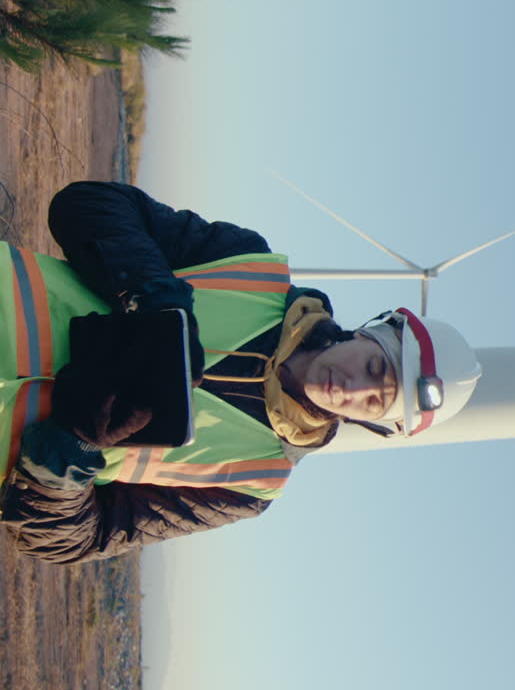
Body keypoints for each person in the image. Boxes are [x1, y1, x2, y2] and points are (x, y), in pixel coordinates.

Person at [0, 182, 475, 564]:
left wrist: (68, 453)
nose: (356, 387)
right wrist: (153, 296)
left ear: (371, 423)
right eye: (374, 365)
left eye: (376, 400)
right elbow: (86, 203)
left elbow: (70, 540)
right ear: (364, 334)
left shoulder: (249, 484)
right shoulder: (251, 266)